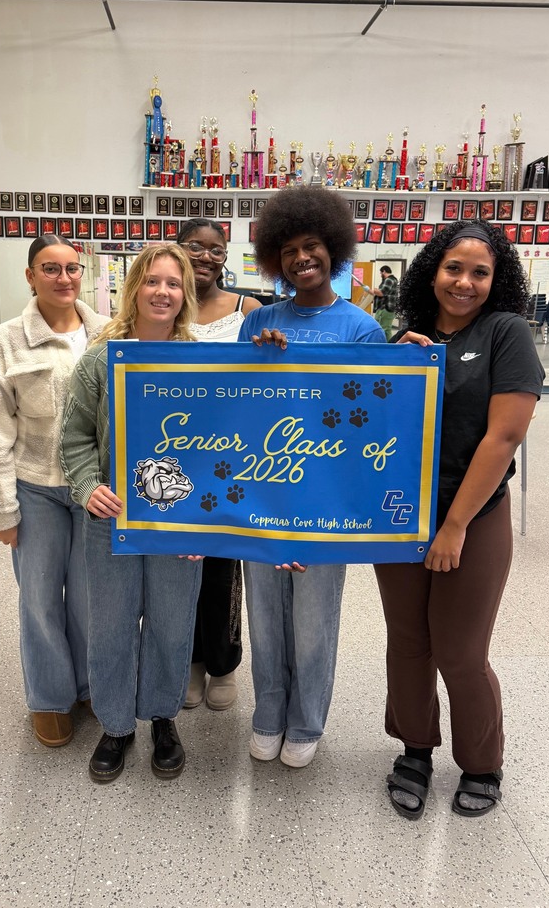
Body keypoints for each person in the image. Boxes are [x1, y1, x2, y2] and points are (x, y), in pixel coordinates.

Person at [374, 220, 544, 820]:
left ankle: (481, 762)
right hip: (402, 516)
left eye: (480, 272)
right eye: (453, 268)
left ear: (497, 281)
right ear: (432, 271)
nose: (465, 282)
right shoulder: (407, 339)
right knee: (409, 642)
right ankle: (415, 749)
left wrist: (455, 527)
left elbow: (504, 438)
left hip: (473, 518)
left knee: (461, 650)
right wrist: (387, 372)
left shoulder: (507, 333)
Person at [237, 187, 385, 768]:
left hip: (327, 499)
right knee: (265, 616)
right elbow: (235, 409)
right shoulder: (260, 321)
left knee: (314, 620)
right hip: (261, 494)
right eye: (291, 250)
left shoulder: (361, 328)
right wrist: (256, 356)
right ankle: (268, 712)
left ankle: (306, 721)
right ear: (275, 257)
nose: (303, 258)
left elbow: (374, 422)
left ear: (335, 250)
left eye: (313, 246)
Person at [60, 244, 203, 783]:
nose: (162, 292)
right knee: (112, 626)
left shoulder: (201, 360)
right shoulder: (101, 359)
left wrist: (209, 523)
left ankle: (163, 717)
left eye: (173, 282)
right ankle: (117, 724)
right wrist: (87, 487)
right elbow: (74, 439)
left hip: (180, 521)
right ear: (134, 289)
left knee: (171, 622)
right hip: (112, 519)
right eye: (152, 281)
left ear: (184, 293)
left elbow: (227, 444)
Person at [0, 235, 109, 747]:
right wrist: (1, 509)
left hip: (95, 491)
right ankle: (50, 697)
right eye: (50, 269)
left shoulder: (107, 333)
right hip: (37, 490)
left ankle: (89, 686)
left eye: (72, 269)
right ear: (30, 276)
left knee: (91, 597)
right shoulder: (7, 341)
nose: (64, 278)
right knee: (39, 597)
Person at [176, 219, 262, 712]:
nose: (206, 256)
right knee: (179, 563)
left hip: (232, 458)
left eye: (217, 249)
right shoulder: (164, 302)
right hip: (176, 452)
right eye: (196, 246)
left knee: (223, 565)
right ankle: (188, 661)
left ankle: (224, 663)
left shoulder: (246, 308)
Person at [368, 265, 398, 340]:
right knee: (386, 329)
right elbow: (380, 293)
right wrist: (370, 290)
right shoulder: (393, 280)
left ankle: (383, 346)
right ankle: (388, 346)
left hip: (385, 308)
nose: (380, 275)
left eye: (380, 273)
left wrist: (374, 289)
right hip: (387, 308)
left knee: (382, 329)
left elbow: (381, 293)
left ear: (384, 271)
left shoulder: (389, 280)